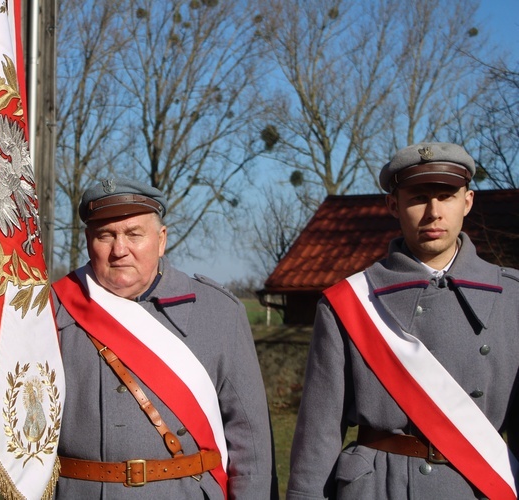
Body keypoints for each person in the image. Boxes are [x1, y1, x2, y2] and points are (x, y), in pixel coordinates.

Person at [287, 143, 519, 499]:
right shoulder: (347, 303)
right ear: (392, 205)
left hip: (479, 486)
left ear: (468, 202)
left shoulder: (512, 297)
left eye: (446, 196)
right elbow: (317, 436)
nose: (433, 213)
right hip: (380, 487)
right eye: (418, 198)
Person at [51, 178, 277, 499]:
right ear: (89, 240)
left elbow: (250, 442)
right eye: (105, 236)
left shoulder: (218, 311)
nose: (119, 250)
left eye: (133, 234)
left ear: (161, 240)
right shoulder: (51, 311)